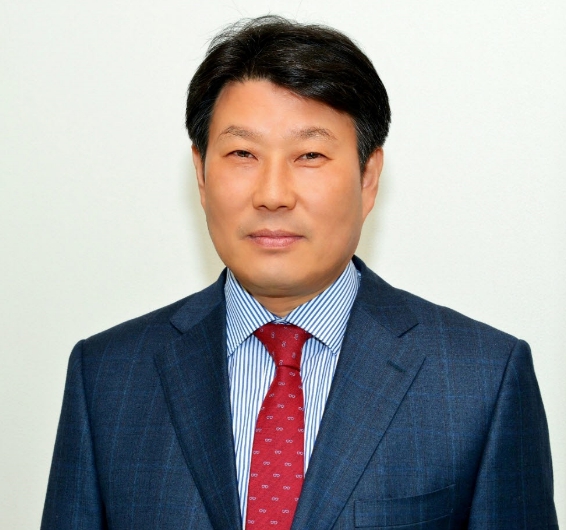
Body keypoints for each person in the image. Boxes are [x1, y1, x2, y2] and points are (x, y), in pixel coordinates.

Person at [41, 15, 557, 530]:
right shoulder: (107, 376)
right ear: (200, 174)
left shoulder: (481, 379)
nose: (272, 195)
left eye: (309, 155)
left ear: (368, 177)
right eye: (242, 153)